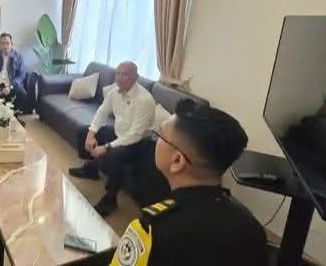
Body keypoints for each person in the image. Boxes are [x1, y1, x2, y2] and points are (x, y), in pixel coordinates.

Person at [109, 99, 267, 266]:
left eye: (160, 135)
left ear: (177, 160)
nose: (155, 140)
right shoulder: (252, 228)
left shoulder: (150, 230)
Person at [68, 61, 156, 217]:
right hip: (119, 133)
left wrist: (107, 147)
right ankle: (92, 168)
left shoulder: (144, 100)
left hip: (137, 143)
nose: (120, 78)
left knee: (115, 155)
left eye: (125, 75)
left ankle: (111, 198)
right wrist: (91, 134)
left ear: (135, 77)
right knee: (83, 131)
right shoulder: (115, 91)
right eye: (117, 74)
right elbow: (102, 111)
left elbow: (135, 134)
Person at [0, 33, 29, 112]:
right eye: (2, 43)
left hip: (12, 84)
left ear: (11, 44)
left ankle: (14, 115)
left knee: (22, 93)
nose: (5, 46)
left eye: (7, 43)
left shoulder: (18, 56)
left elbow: (21, 75)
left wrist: (10, 87)